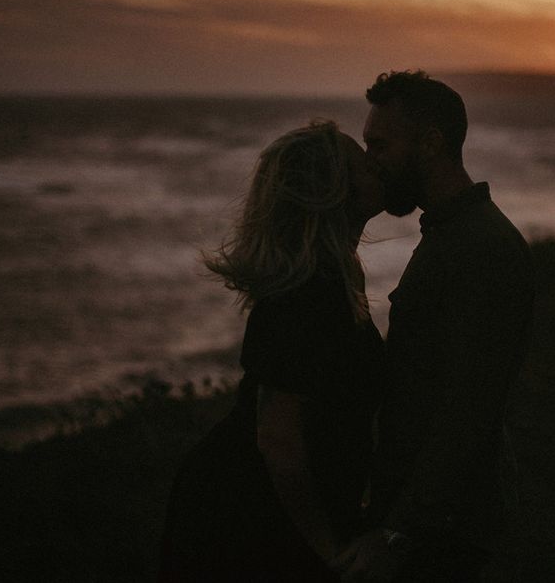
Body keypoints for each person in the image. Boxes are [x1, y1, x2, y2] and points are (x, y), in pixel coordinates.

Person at [158, 121, 388, 582]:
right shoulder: (306, 295)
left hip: (271, 508)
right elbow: (279, 443)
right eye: (363, 162)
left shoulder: (339, 275)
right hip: (244, 515)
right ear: (333, 190)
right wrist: (331, 551)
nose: (376, 163)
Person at [341, 70, 534, 581]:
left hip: (446, 534)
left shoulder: (482, 248)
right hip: (434, 524)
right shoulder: (451, 234)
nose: (370, 161)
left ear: (430, 143)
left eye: (379, 145)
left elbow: (469, 409)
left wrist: (397, 533)